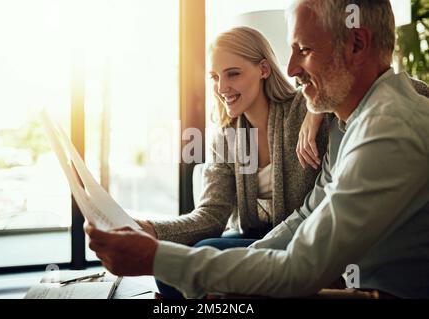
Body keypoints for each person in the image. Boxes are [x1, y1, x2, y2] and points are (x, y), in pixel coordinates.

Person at [86, 0, 429, 298]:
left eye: (304, 50)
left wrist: (156, 258)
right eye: (215, 77)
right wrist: (245, 260)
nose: (292, 68)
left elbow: (301, 268)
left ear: (356, 44)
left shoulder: (387, 126)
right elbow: (305, 215)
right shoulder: (347, 124)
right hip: (330, 268)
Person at [133, 27, 331, 297]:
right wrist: (151, 230)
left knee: (194, 266)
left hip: (302, 242)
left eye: (233, 74)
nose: (221, 87)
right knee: (171, 272)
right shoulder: (226, 138)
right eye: (215, 77)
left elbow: (353, 97)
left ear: (264, 69)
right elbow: (211, 215)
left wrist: (318, 109)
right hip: (256, 240)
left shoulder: (303, 110)